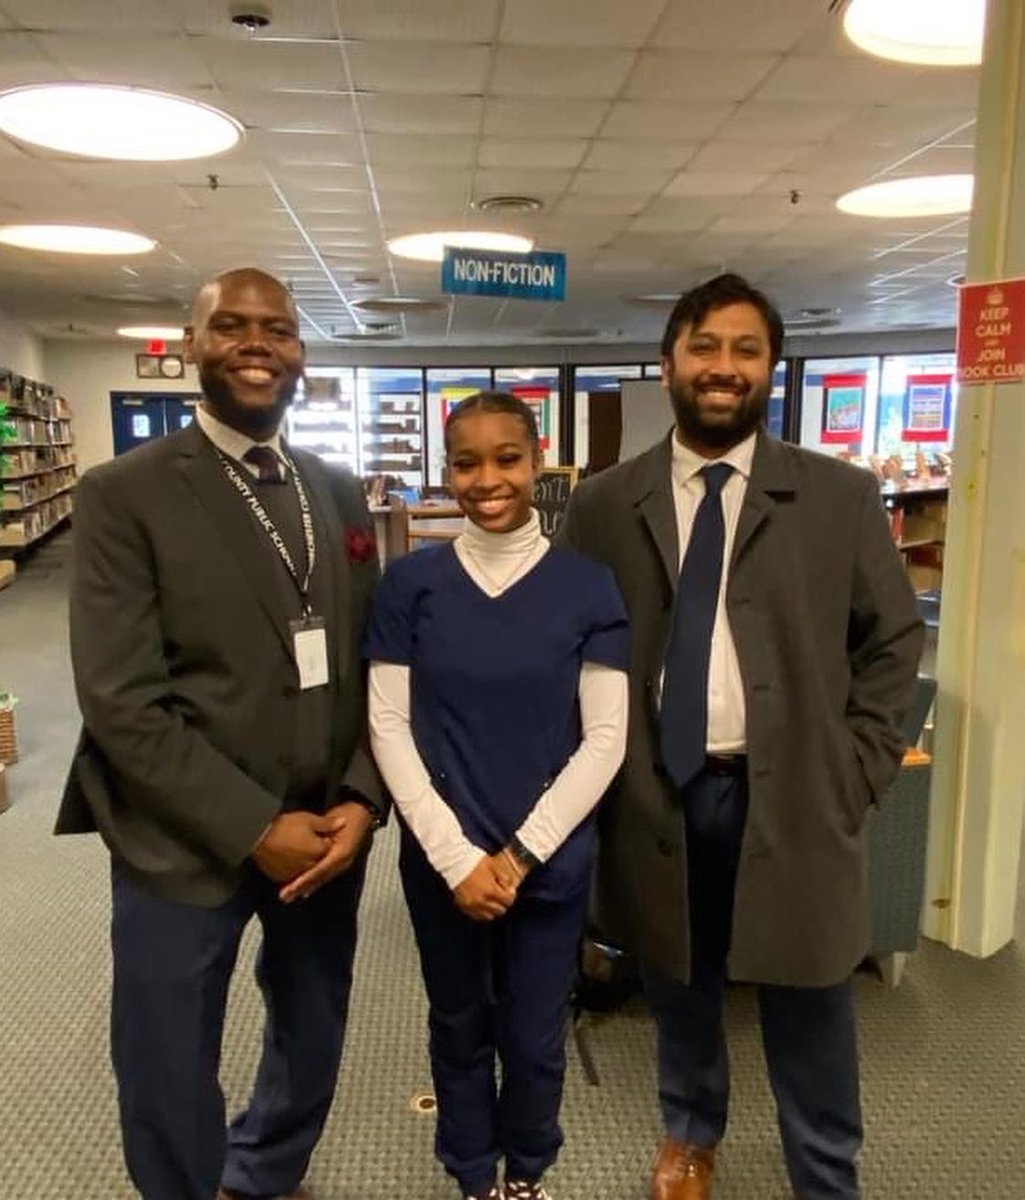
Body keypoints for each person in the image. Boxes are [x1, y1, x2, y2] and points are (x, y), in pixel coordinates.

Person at [559, 273, 924, 1200]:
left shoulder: (838, 496)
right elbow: (568, 644)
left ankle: (823, 1163)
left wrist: (856, 770)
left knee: (809, 988)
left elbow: (890, 643)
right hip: (659, 789)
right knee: (678, 975)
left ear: (770, 368)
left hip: (798, 791)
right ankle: (689, 1132)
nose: (724, 368)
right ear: (668, 361)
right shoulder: (605, 504)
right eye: (705, 347)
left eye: (745, 350)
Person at [56, 268, 386, 1200]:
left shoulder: (335, 490)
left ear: (300, 354)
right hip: (181, 832)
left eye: (275, 329)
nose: (255, 342)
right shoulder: (124, 492)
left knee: (312, 1024)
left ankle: (268, 1168)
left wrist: (363, 795)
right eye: (231, 326)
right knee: (166, 1049)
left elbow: (373, 663)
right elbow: (121, 699)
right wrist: (251, 827)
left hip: (325, 831)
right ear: (190, 345)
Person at [365, 391, 630, 1200]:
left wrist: (517, 857)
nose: (487, 479)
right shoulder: (410, 584)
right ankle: (473, 1177)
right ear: (447, 469)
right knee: (458, 1024)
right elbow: (387, 726)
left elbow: (606, 739)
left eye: (506, 458)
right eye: (467, 461)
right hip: (443, 862)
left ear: (537, 460)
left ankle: (526, 1175)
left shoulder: (587, 587)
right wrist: (455, 859)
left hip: (545, 861)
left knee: (534, 1033)